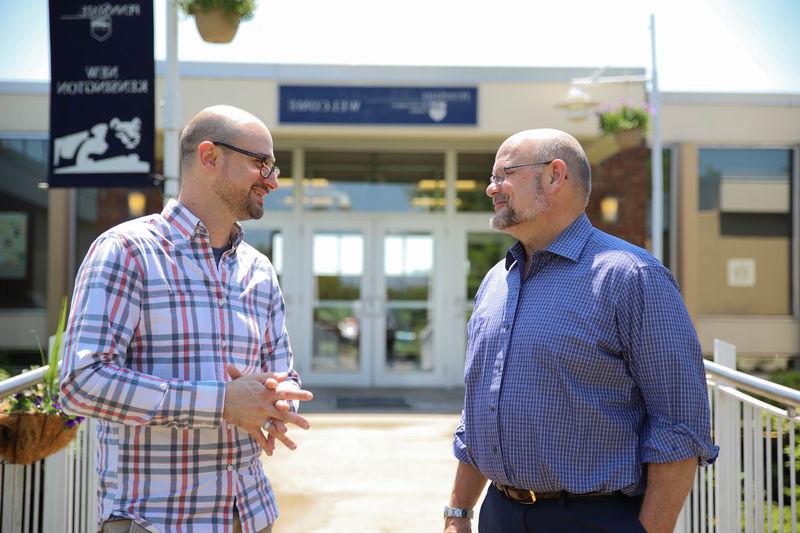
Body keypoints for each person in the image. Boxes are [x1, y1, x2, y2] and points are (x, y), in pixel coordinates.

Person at [444, 129, 718, 533]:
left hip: (593, 518)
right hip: (498, 515)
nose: (491, 188)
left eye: (505, 173)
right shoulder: (496, 281)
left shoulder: (632, 277)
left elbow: (680, 425)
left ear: (555, 176)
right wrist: (458, 511)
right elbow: (481, 411)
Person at [60, 105, 313, 533]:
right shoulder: (126, 251)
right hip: (155, 521)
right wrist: (222, 402)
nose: (272, 180)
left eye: (273, 166)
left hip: (249, 516)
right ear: (210, 157)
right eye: (260, 163)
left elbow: (281, 374)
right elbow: (80, 384)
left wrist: (277, 402)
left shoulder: (259, 270)